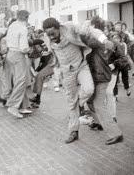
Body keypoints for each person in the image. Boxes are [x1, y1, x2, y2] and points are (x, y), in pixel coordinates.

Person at [42, 17, 114, 144]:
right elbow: (53, 55)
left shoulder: (69, 27)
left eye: (53, 33)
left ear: (59, 28)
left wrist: (104, 39)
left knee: (88, 90)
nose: (51, 36)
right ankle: (73, 131)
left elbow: (90, 30)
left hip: (81, 66)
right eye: (48, 34)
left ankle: (79, 104)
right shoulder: (47, 38)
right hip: (66, 72)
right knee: (71, 102)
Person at [83, 16, 126, 145]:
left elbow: (124, 59)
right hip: (96, 76)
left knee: (98, 104)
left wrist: (114, 64)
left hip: (101, 76)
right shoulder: (101, 41)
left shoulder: (98, 41)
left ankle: (116, 133)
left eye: (91, 27)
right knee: (91, 102)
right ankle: (100, 123)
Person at [4, 10, 33, 118]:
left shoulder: (12, 25)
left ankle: (23, 105)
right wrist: (29, 50)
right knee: (21, 81)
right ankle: (13, 106)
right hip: (18, 54)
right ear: (26, 17)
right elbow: (24, 47)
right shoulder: (23, 28)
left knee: (18, 80)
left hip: (10, 54)